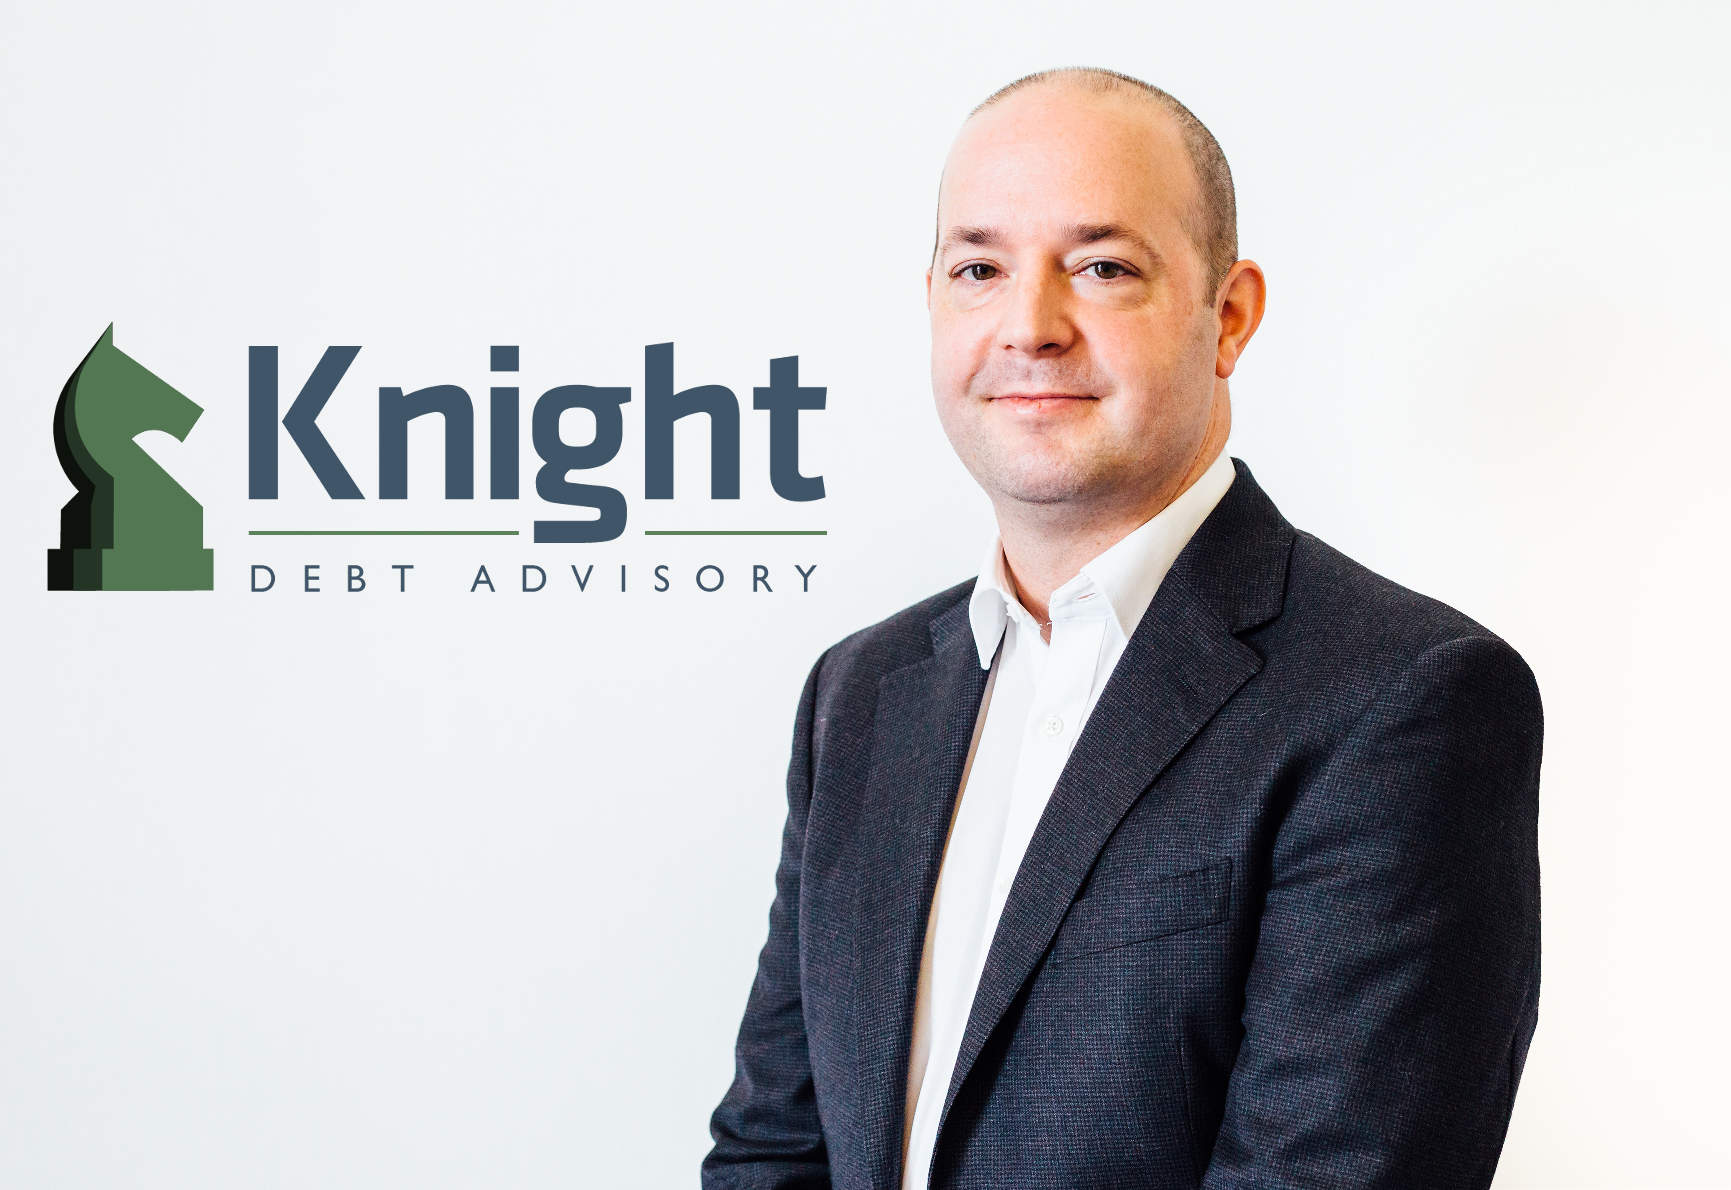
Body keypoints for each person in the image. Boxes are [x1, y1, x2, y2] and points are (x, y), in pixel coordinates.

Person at [701, 65, 1544, 1190]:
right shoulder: (860, 693)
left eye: (1102, 267)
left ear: (1228, 316)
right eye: (979, 269)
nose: (1029, 327)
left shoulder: (1402, 699)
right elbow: (771, 1152)